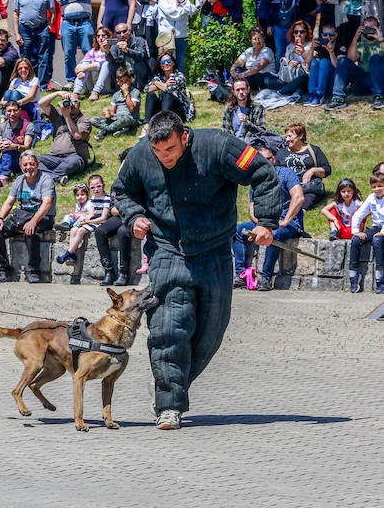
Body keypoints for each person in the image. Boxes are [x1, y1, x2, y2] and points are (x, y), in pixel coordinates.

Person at [112, 111, 282, 430]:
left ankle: (169, 381)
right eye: (158, 152)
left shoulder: (218, 146)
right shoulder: (140, 155)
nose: (164, 158)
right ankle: (169, 404)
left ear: (184, 137)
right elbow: (122, 191)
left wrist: (267, 221)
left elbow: (261, 170)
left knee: (210, 330)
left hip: (214, 250)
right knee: (168, 329)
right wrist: (134, 217)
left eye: (171, 150)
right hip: (167, 249)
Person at [231, 143, 304, 291]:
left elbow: (299, 197)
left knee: (274, 233)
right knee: (237, 230)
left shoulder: (286, 174)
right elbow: (252, 209)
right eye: (260, 159)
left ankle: (266, 278)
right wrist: (262, 224)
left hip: (289, 224)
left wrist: (286, 220)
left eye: (268, 159)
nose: (264, 162)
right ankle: (241, 275)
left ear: (274, 159)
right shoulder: (257, 179)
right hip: (265, 222)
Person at [0, 151, 55, 284]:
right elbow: (9, 202)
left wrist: (33, 221)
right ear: (21, 166)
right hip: (22, 215)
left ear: (37, 164)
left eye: (32, 164)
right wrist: (0, 219)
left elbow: (47, 203)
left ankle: (34, 270)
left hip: (43, 217)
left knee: (30, 230)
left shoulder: (46, 179)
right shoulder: (19, 180)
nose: (29, 167)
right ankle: (4, 267)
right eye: (25, 164)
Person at [326, 16, 384, 111]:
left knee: (376, 58)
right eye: (366, 28)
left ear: (378, 28)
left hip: (379, 82)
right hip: (361, 82)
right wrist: (356, 37)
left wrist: (380, 38)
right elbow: (351, 59)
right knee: (343, 60)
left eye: (372, 28)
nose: (369, 30)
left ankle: (379, 98)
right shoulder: (360, 45)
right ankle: (338, 99)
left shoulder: (382, 43)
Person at [34, 92, 92, 185]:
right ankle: (56, 177)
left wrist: (67, 116)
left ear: (80, 103)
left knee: (72, 163)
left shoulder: (84, 120)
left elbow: (77, 135)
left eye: (75, 101)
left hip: (74, 157)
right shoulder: (57, 114)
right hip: (54, 157)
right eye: (69, 101)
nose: (72, 104)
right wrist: (57, 93)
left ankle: (47, 176)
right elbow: (41, 103)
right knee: (34, 160)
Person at [55, 0, 94, 88]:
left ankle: (90, 81)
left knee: (88, 51)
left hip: (85, 22)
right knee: (68, 53)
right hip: (67, 23)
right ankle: (71, 81)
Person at [276, 122, 331, 210]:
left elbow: (327, 170)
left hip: (308, 189)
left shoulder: (314, 150)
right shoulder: (281, 153)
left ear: (301, 135)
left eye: (290, 136)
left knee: (305, 201)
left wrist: (312, 171)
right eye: (286, 137)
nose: (287, 139)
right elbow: (275, 172)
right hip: (288, 189)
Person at [55, 178, 111, 265]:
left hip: (100, 223)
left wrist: (87, 222)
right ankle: (72, 254)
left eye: (98, 186)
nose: (96, 189)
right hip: (92, 221)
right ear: (90, 188)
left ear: (103, 185)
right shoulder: (93, 198)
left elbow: (103, 218)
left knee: (81, 230)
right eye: (92, 187)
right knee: (74, 229)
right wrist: (85, 220)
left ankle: (68, 253)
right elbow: (91, 214)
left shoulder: (107, 198)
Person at [12, 0, 56, 82]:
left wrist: (49, 26)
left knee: (44, 57)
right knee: (25, 57)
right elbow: (15, 14)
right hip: (25, 29)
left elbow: (53, 12)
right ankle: (25, 82)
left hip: (42, 28)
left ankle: (42, 85)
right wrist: (17, 34)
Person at [348, 173, 384, 293]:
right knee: (356, 240)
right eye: (374, 186)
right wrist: (355, 231)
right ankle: (353, 274)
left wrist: (383, 232)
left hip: (383, 229)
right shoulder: (371, 197)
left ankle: (380, 277)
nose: (377, 189)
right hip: (376, 227)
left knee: (377, 241)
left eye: (380, 186)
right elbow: (359, 214)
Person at [157, 0, 196, 74]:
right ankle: (167, 82)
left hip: (181, 35)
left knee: (180, 61)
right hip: (166, 36)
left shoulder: (184, 0)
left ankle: (181, 83)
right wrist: (184, 10)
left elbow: (193, 10)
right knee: (166, 62)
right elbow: (173, 14)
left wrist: (182, 1)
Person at [142, 52, 189, 134]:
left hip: (179, 110)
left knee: (167, 94)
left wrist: (156, 83)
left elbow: (168, 89)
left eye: (168, 61)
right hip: (165, 109)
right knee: (151, 95)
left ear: (173, 63)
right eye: (163, 62)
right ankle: (147, 125)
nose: (166, 63)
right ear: (160, 65)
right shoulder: (159, 77)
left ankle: (164, 124)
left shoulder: (179, 76)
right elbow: (146, 89)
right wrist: (161, 84)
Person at [0, 100, 34, 186]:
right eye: (9, 111)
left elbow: (27, 148)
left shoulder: (28, 125)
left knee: (8, 143)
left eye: (15, 110)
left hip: (22, 159)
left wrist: (13, 146)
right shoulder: (1, 127)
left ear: (20, 110)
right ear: (5, 112)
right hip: (5, 159)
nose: (12, 113)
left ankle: (5, 175)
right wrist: (2, 145)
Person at [92, 67, 139, 140]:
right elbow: (113, 112)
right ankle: (120, 129)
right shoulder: (116, 95)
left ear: (130, 79)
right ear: (117, 82)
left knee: (123, 120)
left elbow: (132, 109)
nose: (124, 84)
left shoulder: (135, 92)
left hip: (129, 118)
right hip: (117, 118)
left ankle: (104, 131)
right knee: (93, 120)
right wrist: (108, 113)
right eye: (121, 81)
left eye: (126, 81)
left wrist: (126, 93)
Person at [304, 24, 342, 107]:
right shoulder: (320, 45)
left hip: (334, 82)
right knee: (315, 61)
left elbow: (338, 67)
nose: (328, 37)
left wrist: (331, 52)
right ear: (321, 35)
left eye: (331, 35)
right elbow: (308, 61)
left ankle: (320, 94)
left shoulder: (340, 45)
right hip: (321, 80)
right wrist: (312, 48)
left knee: (324, 61)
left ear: (336, 35)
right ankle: (312, 93)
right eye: (325, 35)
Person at [108, 21, 151, 90]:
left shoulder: (139, 40)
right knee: (111, 65)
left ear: (129, 31)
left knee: (139, 64)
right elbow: (112, 60)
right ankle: (119, 88)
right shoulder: (115, 43)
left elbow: (141, 56)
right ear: (116, 34)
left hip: (138, 74)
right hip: (126, 74)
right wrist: (107, 52)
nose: (122, 35)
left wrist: (127, 50)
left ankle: (141, 86)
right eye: (119, 33)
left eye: (124, 31)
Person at [79, 27, 112, 100]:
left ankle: (96, 91)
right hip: (92, 85)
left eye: (103, 36)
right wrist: (79, 70)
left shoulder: (113, 49)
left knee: (105, 64)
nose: (100, 38)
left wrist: (84, 68)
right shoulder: (93, 51)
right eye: (98, 36)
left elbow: (101, 63)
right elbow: (79, 66)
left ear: (108, 37)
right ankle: (76, 92)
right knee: (85, 63)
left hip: (107, 85)